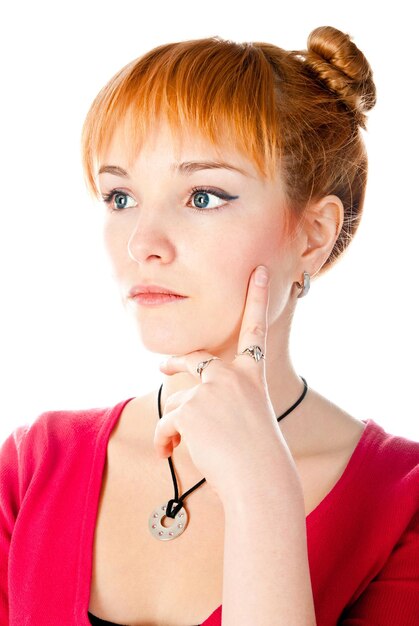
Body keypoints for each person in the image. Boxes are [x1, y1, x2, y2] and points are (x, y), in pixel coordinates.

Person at [1, 25, 418, 626]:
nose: (143, 242)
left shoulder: (400, 503)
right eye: (120, 197)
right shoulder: (33, 468)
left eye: (203, 196)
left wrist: (261, 498)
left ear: (314, 234)